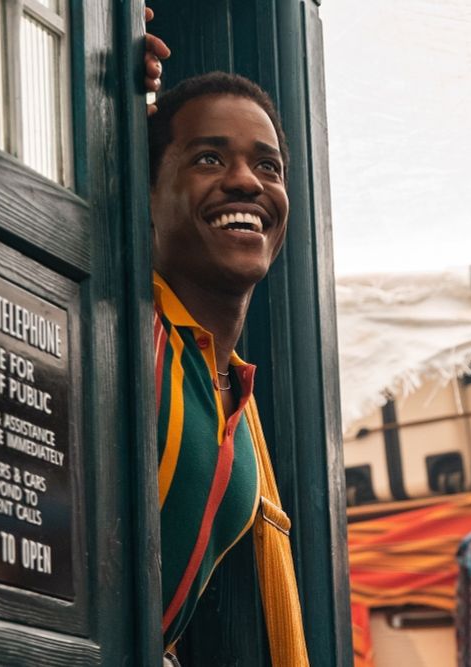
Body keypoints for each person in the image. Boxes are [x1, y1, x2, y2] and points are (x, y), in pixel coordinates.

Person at [144, 63, 310, 667]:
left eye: (269, 166)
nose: (247, 181)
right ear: (147, 192)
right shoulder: (127, 336)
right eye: (208, 159)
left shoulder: (231, 389)